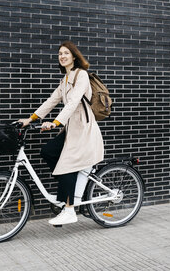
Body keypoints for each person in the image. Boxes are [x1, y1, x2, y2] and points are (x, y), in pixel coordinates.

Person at [18, 41, 104, 226]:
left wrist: (56, 122)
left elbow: (73, 103)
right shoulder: (65, 80)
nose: (62, 56)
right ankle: (68, 187)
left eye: (66, 53)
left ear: (74, 56)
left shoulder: (81, 75)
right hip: (71, 129)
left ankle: (70, 210)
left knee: (66, 165)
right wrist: (30, 119)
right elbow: (51, 101)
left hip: (83, 130)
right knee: (48, 152)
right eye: (60, 54)